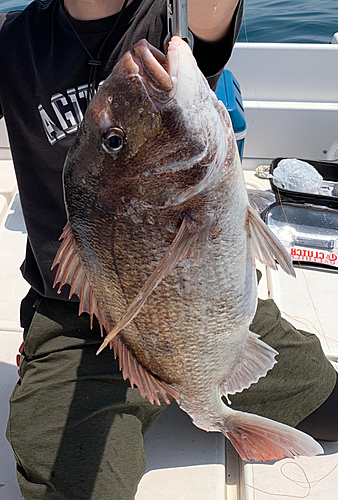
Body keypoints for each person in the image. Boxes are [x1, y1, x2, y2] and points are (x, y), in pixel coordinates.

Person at [0, 0, 337, 498]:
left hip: (204, 316)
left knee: (331, 407)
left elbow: (210, 21)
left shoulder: (174, 17)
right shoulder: (15, 42)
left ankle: (204, 401)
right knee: (69, 488)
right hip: (78, 321)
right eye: (116, 140)